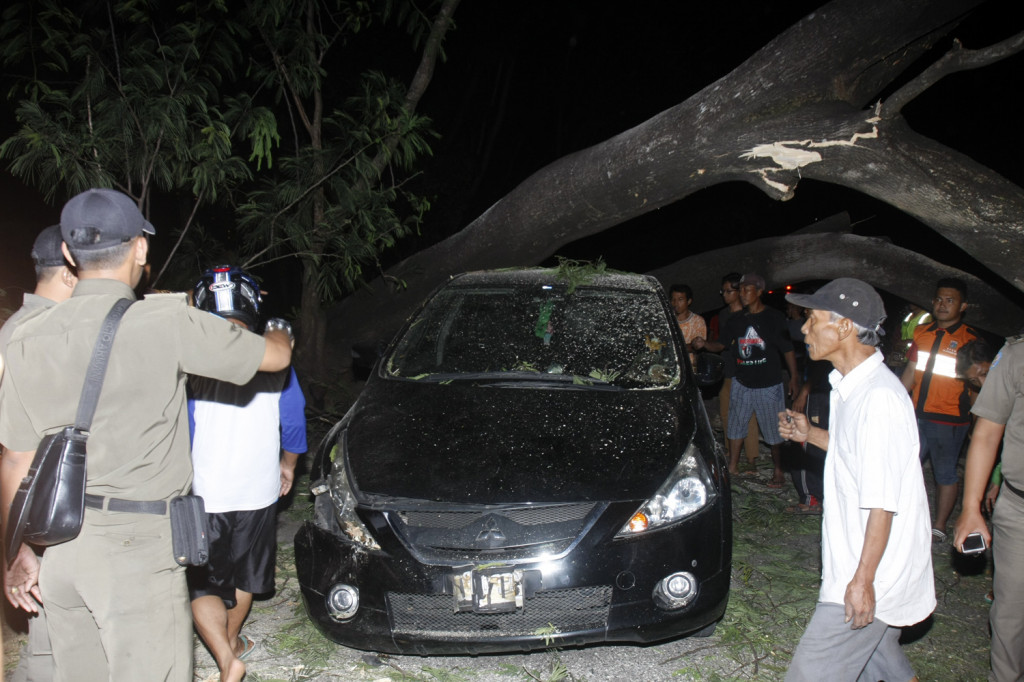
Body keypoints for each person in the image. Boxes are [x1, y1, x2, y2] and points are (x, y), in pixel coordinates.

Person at [0, 188, 293, 682]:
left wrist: (18, 552)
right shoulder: (165, 321)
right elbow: (273, 359)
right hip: (138, 553)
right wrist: (280, 328)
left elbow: (14, 461)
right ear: (140, 249)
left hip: (61, 551)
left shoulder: (27, 336)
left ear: (70, 254)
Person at [778, 278, 934, 682]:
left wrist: (863, 581)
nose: (804, 329)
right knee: (880, 664)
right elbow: (856, 454)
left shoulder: (878, 398)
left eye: (812, 319)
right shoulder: (850, 385)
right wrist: (809, 434)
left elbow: (883, 501)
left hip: (870, 571)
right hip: (853, 557)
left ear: (844, 326)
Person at [186, 266, 308, 682]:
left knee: (200, 583)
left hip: (202, 493)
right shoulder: (275, 358)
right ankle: (235, 642)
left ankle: (225, 658)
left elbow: (181, 430)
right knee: (243, 578)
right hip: (257, 491)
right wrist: (288, 466)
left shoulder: (190, 362)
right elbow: (293, 426)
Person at [0, 225, 77, 682]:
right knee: (53, 647)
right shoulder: (42, 336)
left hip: (33, 511)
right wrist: (20, 543)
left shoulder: (15, 329)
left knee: (50, 638)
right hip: (40, 510)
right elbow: (16, 451)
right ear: (70, 273)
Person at [954, 335, 1024, 682]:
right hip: (1020, 508)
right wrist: (971, 508)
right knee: (1011, 611)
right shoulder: (1016, 355)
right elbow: (986, 434)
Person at [696, 272, 798, 485]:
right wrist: (705, 344)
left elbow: (787, 349)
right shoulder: (736, 320)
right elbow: (721, 344)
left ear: (759, 292)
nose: (742, 294)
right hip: (742, 382)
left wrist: (794, 377)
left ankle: (778, 471)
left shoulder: (774, 317)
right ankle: (732, 466)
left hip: (769, 383)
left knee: (774, 430)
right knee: (735, 425)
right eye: (740, 289)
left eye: (746, 289)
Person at [901, 278, 979, 542]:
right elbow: (911, 372)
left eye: (950, 300)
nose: (942, 305)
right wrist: (898, 402)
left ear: (963, 305)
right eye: (938, 299)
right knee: (905, 467)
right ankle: (905, 518)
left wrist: (978, 421)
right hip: (916, 414)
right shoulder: (922, 333)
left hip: (949, 419)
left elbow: (977, 383)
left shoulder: (970, 340)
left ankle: (939, 526)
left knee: (944, 472)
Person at [669, 283, 706, 366]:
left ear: (689, 301)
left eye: (680, 299)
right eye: (673, 300)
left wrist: (673, 348)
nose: (675, 303)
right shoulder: (668, 321)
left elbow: (697, 347)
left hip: (690, 368)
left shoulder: (698, 321)